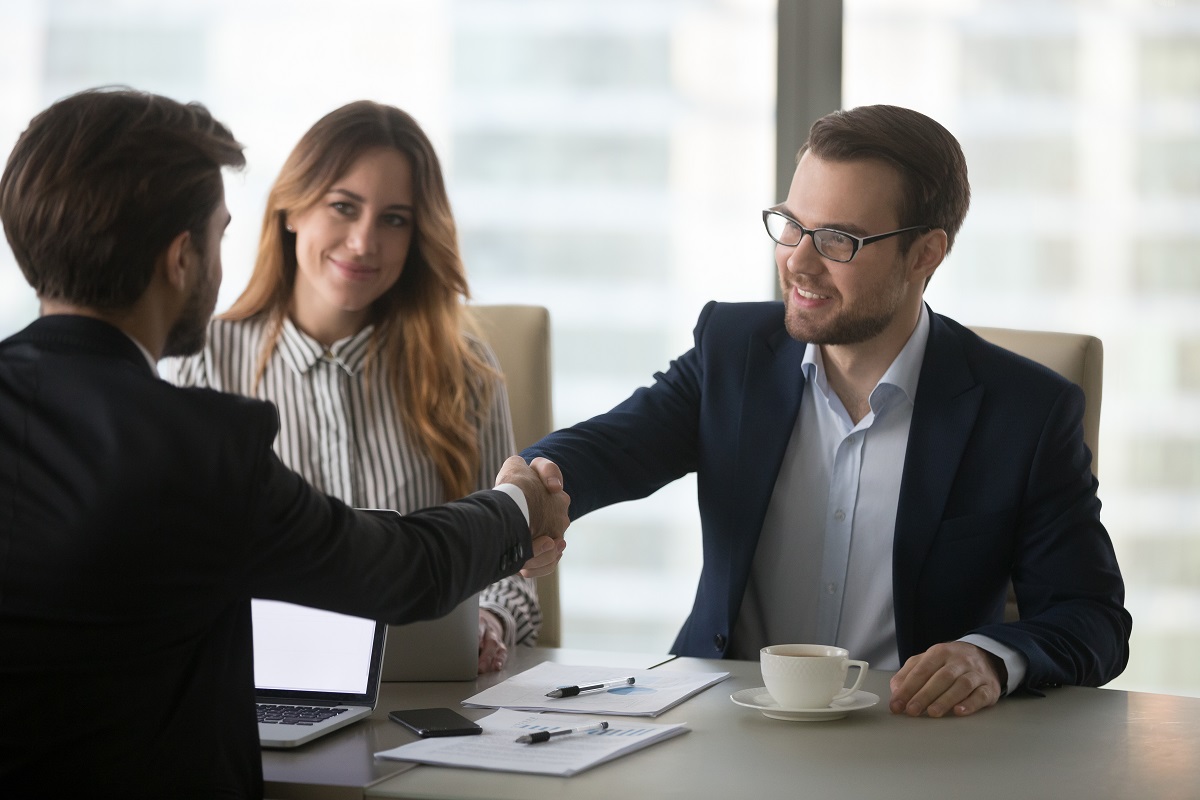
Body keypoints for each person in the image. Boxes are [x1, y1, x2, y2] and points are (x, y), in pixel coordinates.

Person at [0, 87, 568, 799]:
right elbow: (399, 569)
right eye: (216, 235)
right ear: (182, 259)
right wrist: (517, 503)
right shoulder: (198, 441)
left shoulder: (464, 374)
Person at [522, 104, 1131, 718]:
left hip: (910, 740)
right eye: (791, 225)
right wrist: (532, 488)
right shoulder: (734, 350)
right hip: (725, 722)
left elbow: (1093, 618)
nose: (797, 262)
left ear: (926, 253)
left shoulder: (1024, 412)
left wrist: (991, 658)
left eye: (838, 239)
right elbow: (610, 449)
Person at [161, 101, 548, 673]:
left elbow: (515, 560)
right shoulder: (201, 365)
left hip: (429, 699)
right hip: (266, 699)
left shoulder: (465, 371)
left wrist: (490, 622)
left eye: (394, 219)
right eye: (343, 207)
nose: (365, 242)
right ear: (291, 209)